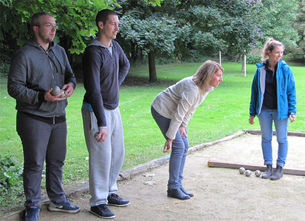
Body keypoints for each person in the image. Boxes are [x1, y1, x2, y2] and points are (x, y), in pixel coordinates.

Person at [7, 12, 80, 221]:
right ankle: (32, 207)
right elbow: (14, 87)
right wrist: (42, 96)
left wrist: (71, 85)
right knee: (34, 165)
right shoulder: (24, 55)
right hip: (34, 118)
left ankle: (57, 200)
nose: (53, 30)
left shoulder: (60, 51)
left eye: (54, 26)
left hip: (59, 117)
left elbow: (71, 75)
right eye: (48, 26)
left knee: (57, 162)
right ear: (36, 29)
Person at [81, 9, 130, 219]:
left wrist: (115, 86)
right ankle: (97, 202)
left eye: (118, 24)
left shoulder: (114, 46)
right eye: (113, 24)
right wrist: (101, 123)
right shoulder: (93, 52)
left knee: (117, 153)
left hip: (113, 108)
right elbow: (93, 91)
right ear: (101, 25)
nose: (117, 28)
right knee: (101, 157)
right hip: (96, 111)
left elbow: (125, 64)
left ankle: (110, 192)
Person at [151, 60, 223, 200]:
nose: (221, 79)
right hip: (162, 110)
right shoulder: (192, 89)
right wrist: (170, 138)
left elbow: (191, 108)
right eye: (218, 75)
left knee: (185, 145)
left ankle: (178, 184)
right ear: (209, 75)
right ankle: (173, 187)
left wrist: (183, 125)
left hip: (175, 114)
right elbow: (178, 114)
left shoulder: (205, 87)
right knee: (178, 146)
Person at [249, 38, 297, 181]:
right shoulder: (260, 70)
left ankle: (279, 167)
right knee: (266, 138)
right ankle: (268, 167)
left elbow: (291, 91)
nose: (280, 55)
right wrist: (252, 112)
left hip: (280, 111)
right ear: (269, 53)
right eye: (277, 52)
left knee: (282, 139)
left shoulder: (286, 69)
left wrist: (292, 111)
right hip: (264, 110)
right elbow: (255, 92)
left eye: (281, 52)